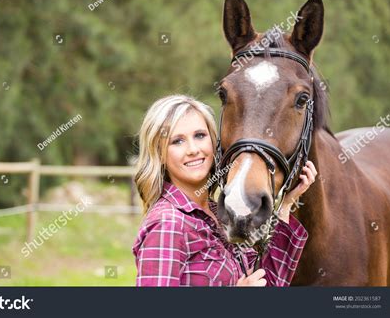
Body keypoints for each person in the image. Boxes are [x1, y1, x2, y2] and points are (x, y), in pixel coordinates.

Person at [132, 95, 317, 286]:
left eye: (200, 135)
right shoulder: (168, 224)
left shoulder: (219, 213)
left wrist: (286, 202)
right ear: (160, 154)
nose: (193, 149)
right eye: (177, 141)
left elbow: (265, 283)